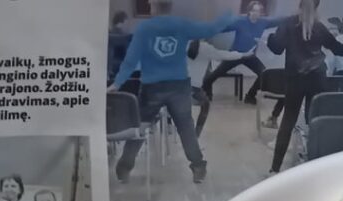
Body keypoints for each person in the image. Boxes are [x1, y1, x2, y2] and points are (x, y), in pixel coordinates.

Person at [109, 1, 239, 186]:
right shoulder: (182, 24)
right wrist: (227, 15)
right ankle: (198, 167)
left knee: (140, 127)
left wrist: (117, 83)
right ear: (170, 5)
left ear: (153, 5)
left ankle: (124, 168)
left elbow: (131, 60)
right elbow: (210, 29)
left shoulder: (145, 28)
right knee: (186, 127)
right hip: (179, 86)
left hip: (152, 88)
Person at [267, 0, 343, 174]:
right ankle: (315, 167)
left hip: (294, 79)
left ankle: (275, 168)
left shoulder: (288, 24)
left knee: (288, 121)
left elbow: (276, 48)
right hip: (317, 79)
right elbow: (338, 49)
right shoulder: (319, 27)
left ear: (299, 5)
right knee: (314, 122)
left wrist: (270, 38)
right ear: (317, 7)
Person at [202, 0, 279, 105]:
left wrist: (295, 18)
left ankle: (250, 96)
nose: (256, 13)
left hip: (250, 57)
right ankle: (205, 92)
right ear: (249, 11)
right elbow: (224, 27)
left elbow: (278, 20)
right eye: (254, 11)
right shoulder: (241, 21)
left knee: (264, 74)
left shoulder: (263, 23)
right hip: (236, 55)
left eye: (258, 11)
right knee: (215, 74)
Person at [108, 11, 132, 83]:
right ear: (124, 21)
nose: (128, 25)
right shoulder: (124, 36)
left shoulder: (109, 33)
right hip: (119, 69)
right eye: (127, 22)